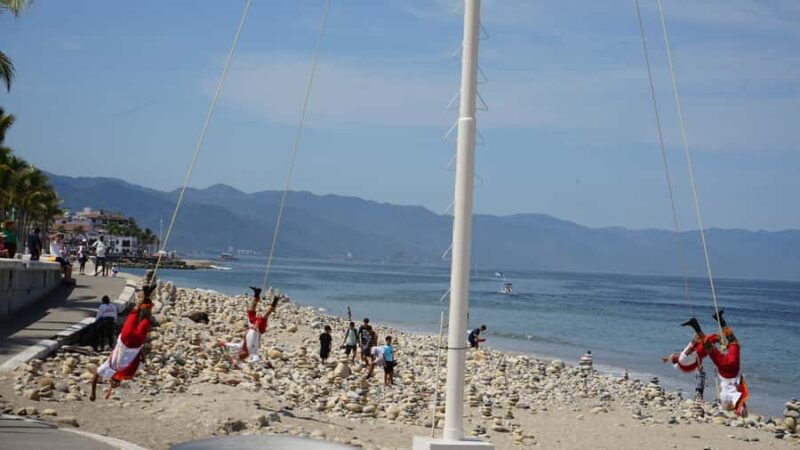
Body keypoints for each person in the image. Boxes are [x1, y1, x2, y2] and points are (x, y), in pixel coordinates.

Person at [666, 311, 748, 415]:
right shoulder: (726, 396)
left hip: (731, 367)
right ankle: (704, 324)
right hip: (724, 368)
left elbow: (739, 395)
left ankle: (718, 321)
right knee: (710, 345)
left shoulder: (731, 395)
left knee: (731, 342)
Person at [90, 285, 155, 401]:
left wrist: (93, 394)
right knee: (136, 313)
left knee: (144, 317)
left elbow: (142, 359)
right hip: (127, 339)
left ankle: (147, 296)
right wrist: (93, 393)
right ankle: (145, 296)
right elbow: (95, 376)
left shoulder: (126, 374)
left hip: (136, 342)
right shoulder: (108, 369)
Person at [219, 286, 278, 365]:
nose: (242, 352)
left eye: (240, 353)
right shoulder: (252, 352)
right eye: (243, 355)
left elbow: (232, 345)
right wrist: (247, 362)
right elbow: (257, 359)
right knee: (266, 314)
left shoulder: (241, 346)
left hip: (252, 326)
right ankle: (275, 301)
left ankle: (256, 293)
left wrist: (224, 344)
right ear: (246, 356)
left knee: (250, 311)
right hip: (258, 329)